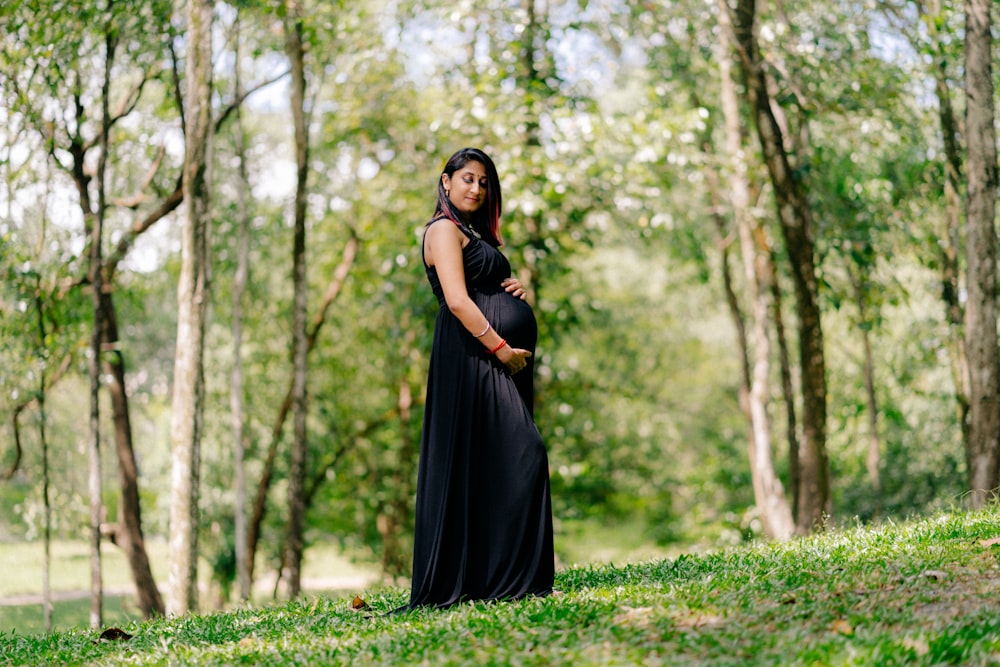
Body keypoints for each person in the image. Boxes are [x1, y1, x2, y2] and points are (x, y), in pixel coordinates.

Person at [403, 147, 555, 610]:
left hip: (488, 357)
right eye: (467, 178)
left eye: (484, 181)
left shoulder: (472, 232)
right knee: (525, 454)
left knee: (496, 463)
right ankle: (508, 579)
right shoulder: (443, 229)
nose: (476, 187)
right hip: (474, 358)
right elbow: (456, 300)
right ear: (445, 182)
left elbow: (479, 287)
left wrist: (512, 290)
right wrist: (501, 347)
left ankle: (496, 580)